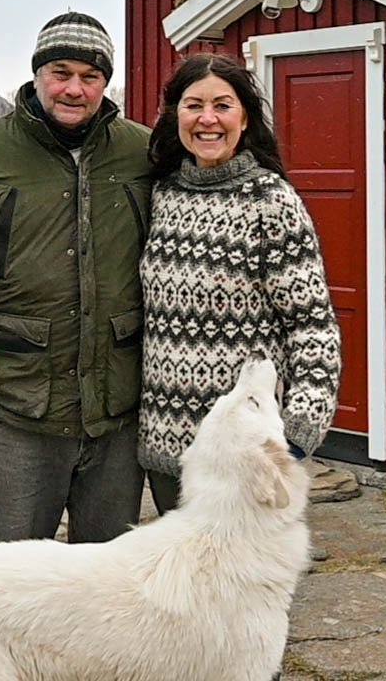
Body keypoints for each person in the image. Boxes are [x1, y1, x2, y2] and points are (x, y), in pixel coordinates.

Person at [0, 11, 154, 543]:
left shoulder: (142, 152)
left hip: (116, 414)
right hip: (19, 411)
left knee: (109, 589)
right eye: (60, 72)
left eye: (90, 77)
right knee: (9, 584)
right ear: (36, 74)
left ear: (105, 83)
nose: (74, 88)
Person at [137, 53, 343, 511]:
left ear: (245, 118)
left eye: (223, 106)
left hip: (246, 451)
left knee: (241, 579)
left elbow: (312, 325)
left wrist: (298, 431)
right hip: (167, 447)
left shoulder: (270, 201)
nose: (207, 119)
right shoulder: (161, 193)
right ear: (175, 117)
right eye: (194, 105)